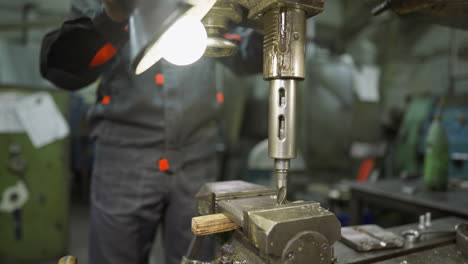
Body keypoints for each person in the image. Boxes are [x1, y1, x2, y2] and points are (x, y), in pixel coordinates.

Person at [40, 0, 223, 263]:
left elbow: (245, 52)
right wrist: (112, 16)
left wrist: (268, 23)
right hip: (124, 158)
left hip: (197, 154)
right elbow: (63, 71)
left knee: (198, 257)